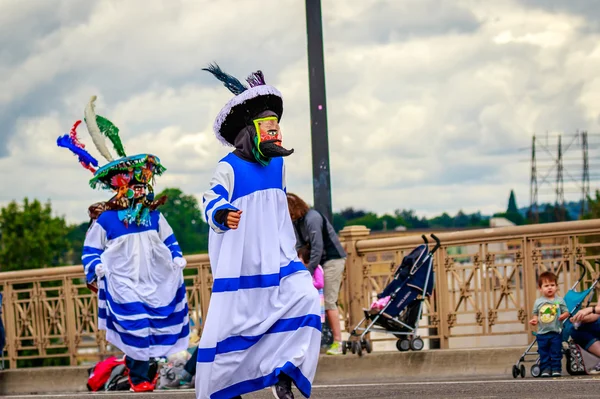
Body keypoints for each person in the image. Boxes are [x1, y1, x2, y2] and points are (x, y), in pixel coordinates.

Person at [196, 65, 321, 399]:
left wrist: (289, 249)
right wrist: (221, 213)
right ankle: (224, 388)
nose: (276, 133)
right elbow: (211, 199)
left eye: (277, 127)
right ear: (250, 131)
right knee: (233, 332)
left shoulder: (279, 165)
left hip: (279, 260)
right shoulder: (229, 166)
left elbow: (278, 210)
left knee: (308, 299)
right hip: (243, 266)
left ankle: (285, 373)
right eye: (268, 127)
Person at [57, 96, 189, 392]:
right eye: (135, 184)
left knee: (154, 327)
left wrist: (177, 257)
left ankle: (147, 375)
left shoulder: (155, 216)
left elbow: (169, 240)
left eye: (144, 185)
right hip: (124, 281)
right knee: (136, 327)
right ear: (121, 187)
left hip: (153, 279)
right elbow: (91, 250)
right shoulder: (106, 221)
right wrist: (98, 268)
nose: (141, 189)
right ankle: (139, 378)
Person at [287, 193, 347, 355]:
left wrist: (308, 271)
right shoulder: (297, 221)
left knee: (329, 301)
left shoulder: (312, 218)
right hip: (318, 263)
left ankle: (338, 342)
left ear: (295, 208)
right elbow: (299, 245)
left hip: (332, 260)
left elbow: (317, 246)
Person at [529, 271, 569, 377]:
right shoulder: (538, 302)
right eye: (546, 286)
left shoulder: (559, 301)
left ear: (556, 287)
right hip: (542, 333)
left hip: (555, 331)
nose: (550, 288)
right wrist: (534, 320)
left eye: (552, 285)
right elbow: (536, 313)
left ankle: (556, 368)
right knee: (544, 352)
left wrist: (563, 316)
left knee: (556, 352)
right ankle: (545, 368)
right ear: (540, 288)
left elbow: (566, 312)